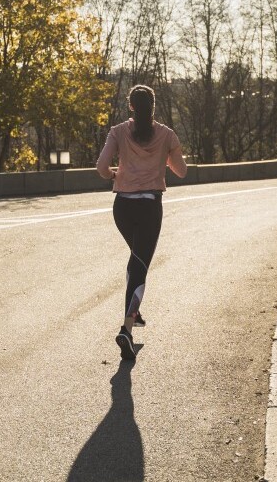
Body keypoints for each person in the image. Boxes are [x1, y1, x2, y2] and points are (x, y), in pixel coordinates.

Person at [96, 85, 187, 361]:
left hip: (122, 207)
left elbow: (101, 168)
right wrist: (164, 160)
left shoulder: (118, 131)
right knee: (140, 265)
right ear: (154, 106)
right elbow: (181, 171)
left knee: (137, 260)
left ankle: (133, 313)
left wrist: (115, 174)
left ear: (131, 107)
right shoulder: (166, 135)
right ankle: (126, 329)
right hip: (149, 206)